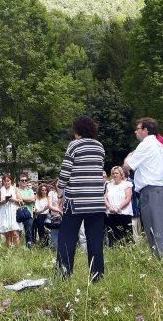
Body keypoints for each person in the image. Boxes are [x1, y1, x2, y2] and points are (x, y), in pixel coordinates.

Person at [56, 116, 106, 282]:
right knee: (95, 242)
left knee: (67, 239)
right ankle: (97, 276)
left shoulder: (74, 145)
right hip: (97, 202)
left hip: (76, 201)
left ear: (77, 130)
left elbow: (65, 172)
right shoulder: (100, 147)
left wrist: (60, 193)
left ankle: (64, 275)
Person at [124, 117, 163, 257]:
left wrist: (130, 155)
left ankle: (162, 262)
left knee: (154, 228)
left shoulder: (145, 145)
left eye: (138, 129)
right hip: (162, 189)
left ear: (145, 130)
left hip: (152, 191)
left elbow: (127, 166)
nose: (136, 132)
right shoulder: (159, 144)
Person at [104, 166, 133, 246]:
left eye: (116, 173)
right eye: (113, 173)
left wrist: (118, 208)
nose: (114, 175)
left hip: (124, 214)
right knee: (113, 239)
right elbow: (105, 198)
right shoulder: (109, 185)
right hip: (111, 214)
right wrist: (109, 207)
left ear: (121, 174)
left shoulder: (127, 184)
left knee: (126, 238)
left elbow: (128, 198)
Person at [0, 173, 22, 246]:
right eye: (5, 181)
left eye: (8, 181)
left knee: (15, 233)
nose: (6, 182)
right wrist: (4, 201)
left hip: (13, 212)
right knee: (7, 234)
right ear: (3, 182)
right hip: (4, 212)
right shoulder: (0, 190)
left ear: (11, 181)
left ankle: (17, 252)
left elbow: (21, 201)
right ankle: (8, 251)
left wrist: (13, 199)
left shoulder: (15, 189)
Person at [18, 174, 36, 247]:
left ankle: (29, 248)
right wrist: (27, 200)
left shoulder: (30, 190)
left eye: (26, 180)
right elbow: (18, 200)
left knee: (29, 233)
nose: (24, 182)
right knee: (18, 233)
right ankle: (18, 248)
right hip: (18, 214)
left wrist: (22, 199)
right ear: (19, 182)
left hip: (29, 214)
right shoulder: (17, 190)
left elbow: (32, 199)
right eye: (22, 180)